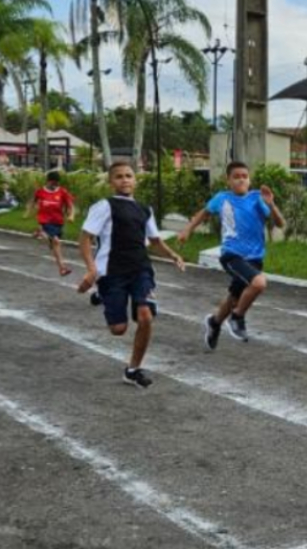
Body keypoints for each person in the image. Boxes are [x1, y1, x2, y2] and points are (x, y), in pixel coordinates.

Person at [77, 162, 186, 388]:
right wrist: (91, 269)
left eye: (129, 176)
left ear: (135, 180)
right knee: (119, 329)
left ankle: (133, 369)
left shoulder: (145, 210)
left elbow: (154, 240)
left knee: (145, 316)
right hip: (112, 272)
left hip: (140, 270)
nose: (125, 180)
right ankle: (103, 294)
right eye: (119, 177)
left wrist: (173, 255)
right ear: (111, 182)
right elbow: (85, 237)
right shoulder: (105, 206)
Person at [177, 161, 285, 349]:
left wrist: (272, 204)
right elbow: (203, 213)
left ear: (249, 179)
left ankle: (215, 323)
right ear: (228, 180)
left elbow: (280, 224)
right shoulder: (222, 198)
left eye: (245, 176)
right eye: (236, 177)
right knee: (259, 283)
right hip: (232, 255)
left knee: (234, 297)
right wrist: (187, 230)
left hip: (255, 257)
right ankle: (237, 317)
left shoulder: (257, 198)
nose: (241, 180)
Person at [26, 170, 76, 276]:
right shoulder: (40, 192)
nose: (55, 185)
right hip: (45, 221)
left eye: (57, 183)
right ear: (48, 181)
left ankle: (39, 233)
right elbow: (32, 202)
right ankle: (62, 268)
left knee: (54, 245)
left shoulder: (62, 192)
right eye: (53, 182)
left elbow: (71, 205)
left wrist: (71, 215)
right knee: (56, 242)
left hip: (58, 222)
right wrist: (28, 212)